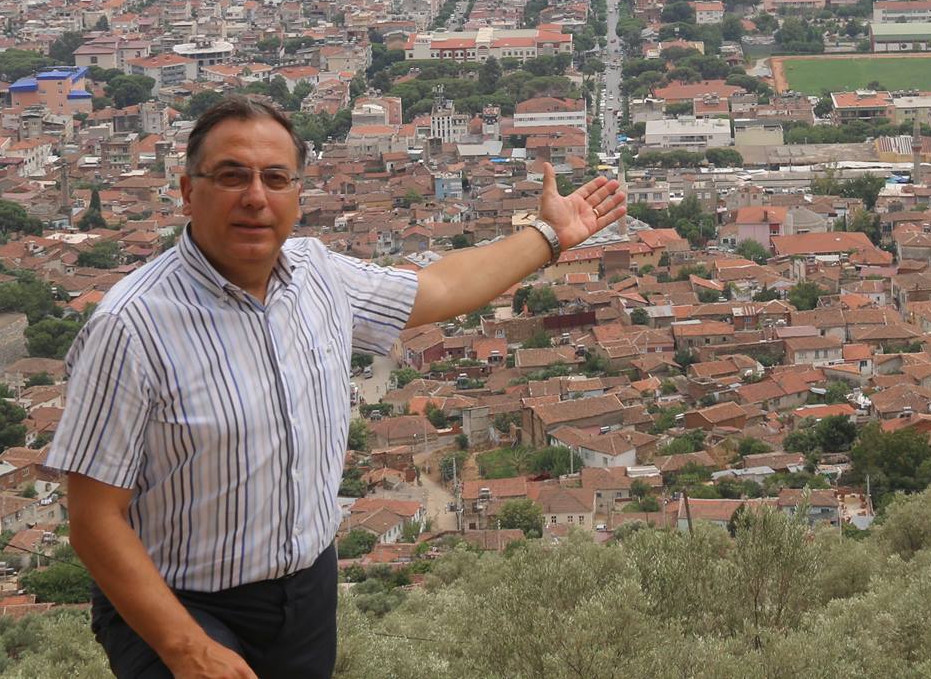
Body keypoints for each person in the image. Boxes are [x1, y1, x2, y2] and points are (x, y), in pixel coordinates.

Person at [45, 94, 626, 679]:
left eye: (275, 178)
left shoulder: (319, 275)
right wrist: (186, 648)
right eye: (230, 176)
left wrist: (550, 236)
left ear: (298, 194)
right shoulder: (130, 325)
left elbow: (439, 289)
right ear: (187, 190)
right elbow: (94, 518)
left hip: (307, 595)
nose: (255, 196)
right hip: (180, 602)